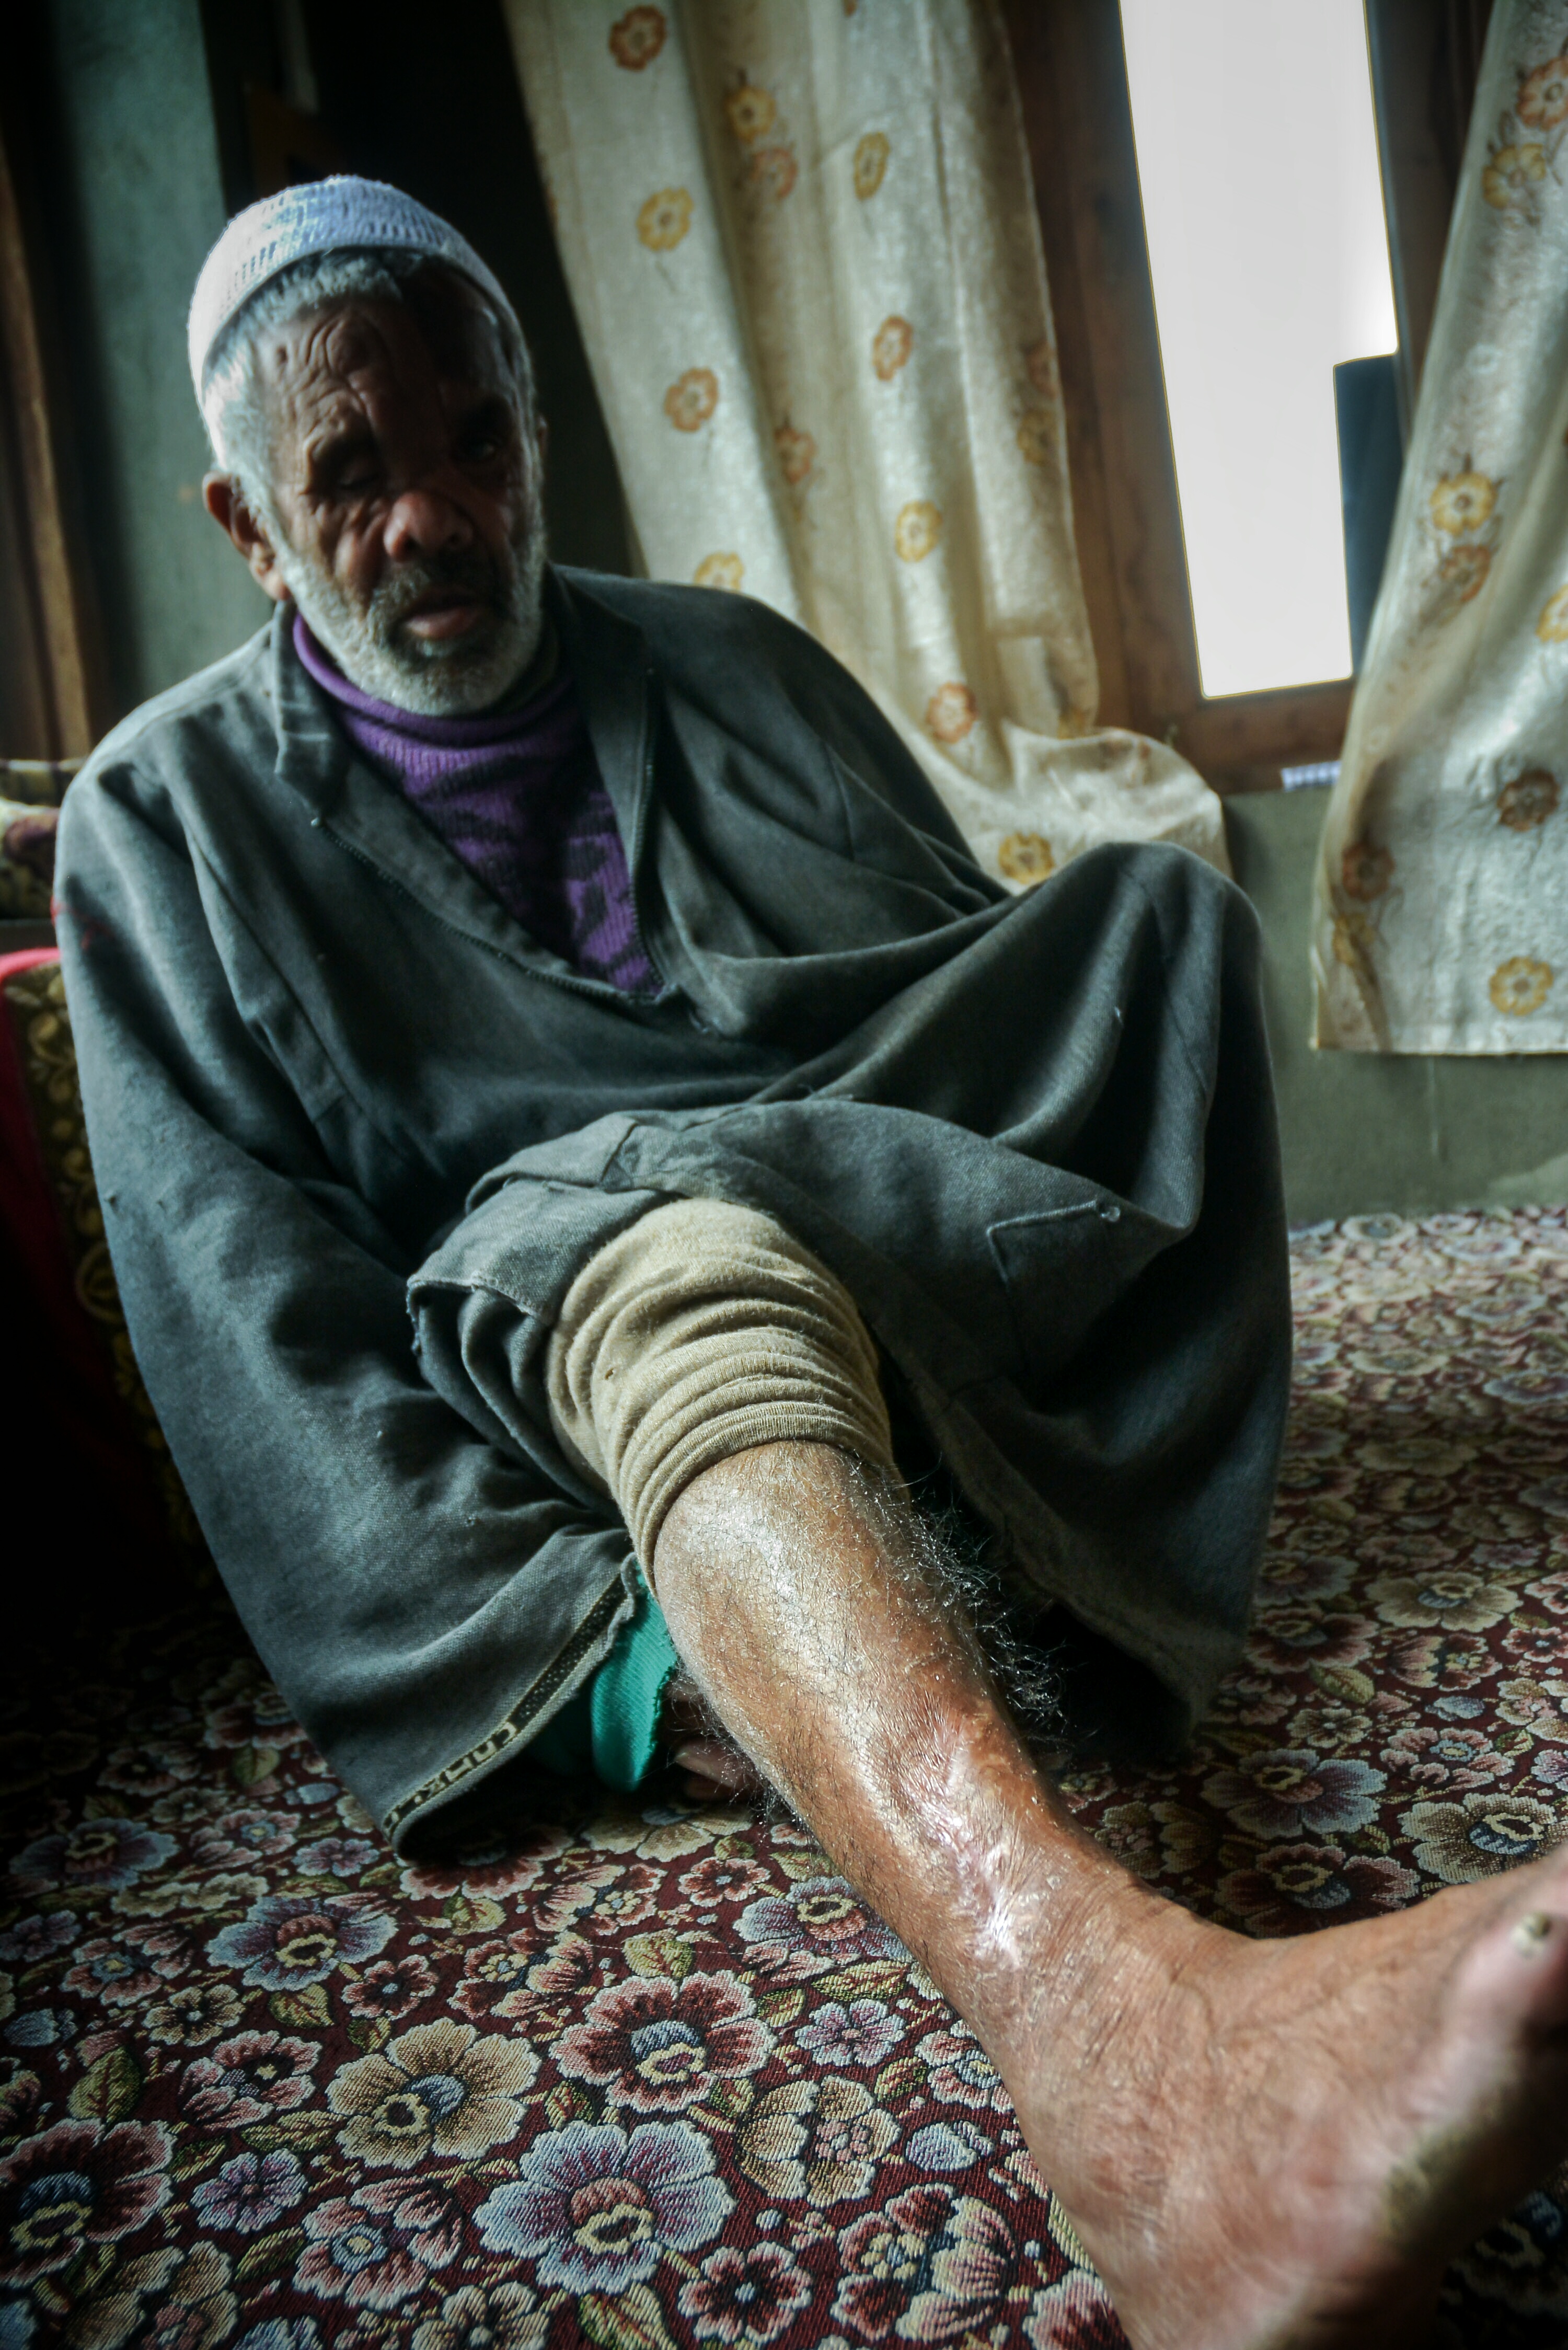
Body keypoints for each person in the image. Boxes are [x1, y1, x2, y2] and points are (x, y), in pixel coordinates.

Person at [54, 178, 1568, 2348]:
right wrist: (610, 1670)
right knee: (673, 1240)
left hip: (843, 1167)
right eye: (352, 474)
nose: (436, 520)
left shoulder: (728, 659)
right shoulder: (156, 820)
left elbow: (953, 995)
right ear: (247, 525)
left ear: (532, 435)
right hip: (565, 1307)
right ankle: (1127, 2046)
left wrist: (823, 1133)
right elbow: (248, 1323)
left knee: (1158, 926)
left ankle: (898, 1498)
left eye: (473, 440)